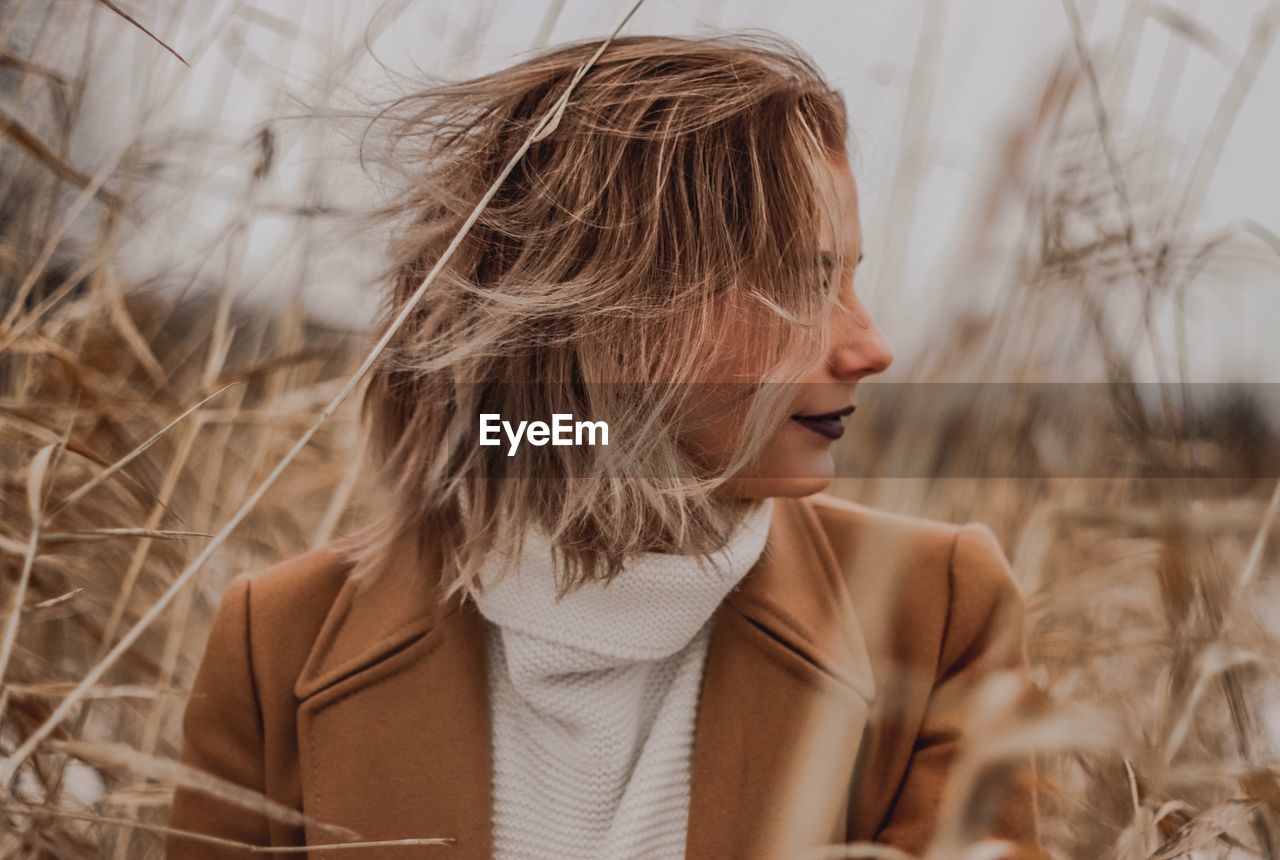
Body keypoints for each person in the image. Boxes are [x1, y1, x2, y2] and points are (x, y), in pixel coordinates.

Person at [166, 32, 1046, 860]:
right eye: (803, 286)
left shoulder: (937, 614)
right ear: (602, 312)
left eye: (850, 278)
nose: (872, 347)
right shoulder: (277, 642)